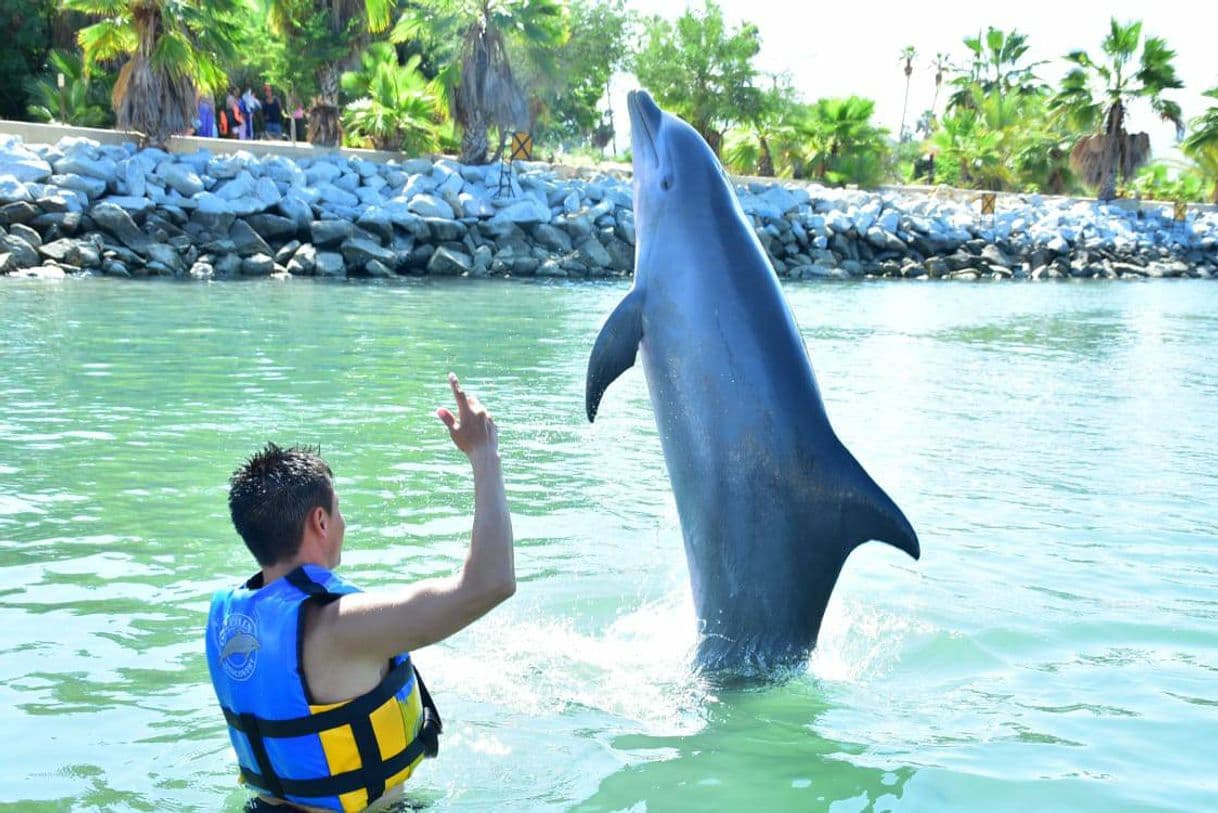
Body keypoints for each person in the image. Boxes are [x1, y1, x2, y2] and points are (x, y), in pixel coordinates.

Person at [205, 373, 515, 813]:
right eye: (339, 509)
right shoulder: (340, 627)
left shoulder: (229, 622)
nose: (343, 522)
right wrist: (484, 455)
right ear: (320, 522)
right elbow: (491, 582)